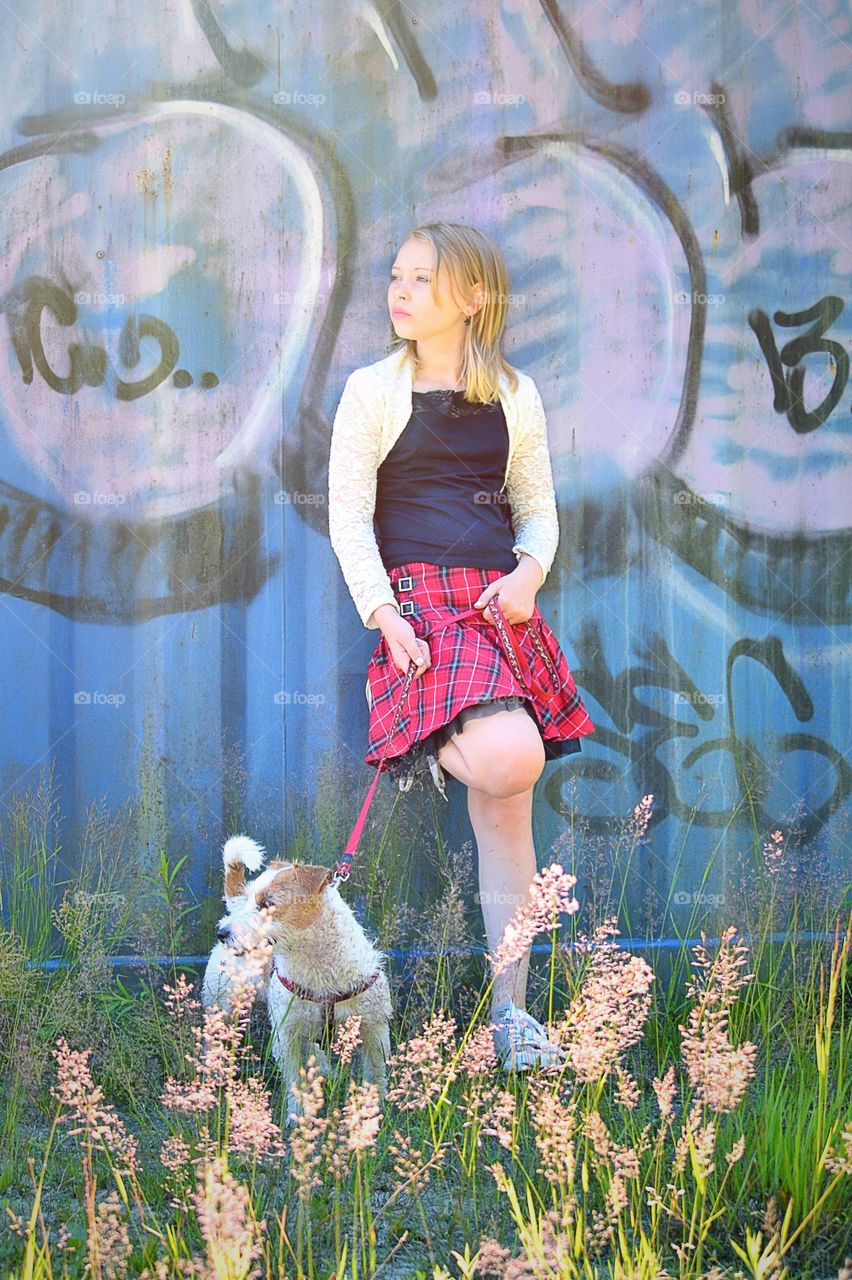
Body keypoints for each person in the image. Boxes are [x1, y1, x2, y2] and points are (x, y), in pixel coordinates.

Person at [327, 222, 595, 1071]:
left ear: (472, 298)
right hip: (420, 618)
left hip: (496, 611)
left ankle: (511, 1020)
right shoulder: (373, 390)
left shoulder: (514, 394)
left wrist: (529, 574)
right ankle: (436, 736)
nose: (398, 292)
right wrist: (383, 614)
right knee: (514, 759)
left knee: (505, 809)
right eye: (395, 277)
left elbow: (538, 509)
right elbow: (347, 514)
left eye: (421, 279)